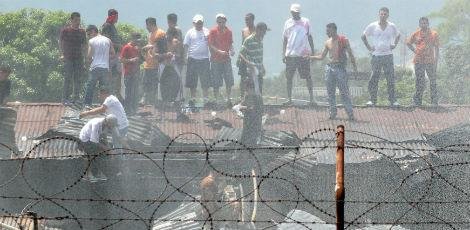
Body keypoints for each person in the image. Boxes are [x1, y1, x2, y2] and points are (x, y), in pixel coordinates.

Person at [309, 23, 357, 120]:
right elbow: (322, 56)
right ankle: (332, 113)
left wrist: (355, 67)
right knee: (330, 92)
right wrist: (311, 57)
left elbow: (350, 54)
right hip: (330, 68)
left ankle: (350, 113)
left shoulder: (343, 40)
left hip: (340, 68)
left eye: (328, 30)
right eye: (326, 30)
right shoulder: (327, 42)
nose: (327, 32)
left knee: (344, 91)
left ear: (334, 30)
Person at [362, 7, 401, 107]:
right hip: (376, 56)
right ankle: (372, 100)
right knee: (374, 77)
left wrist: (394, 45)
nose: (383, 16)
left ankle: (393, 100)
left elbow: (398, 35)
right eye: (381, 14)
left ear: (388, 15)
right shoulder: (373, 25)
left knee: (390, 78)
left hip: (388, 55)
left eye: (385, 14)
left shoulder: (391, 26)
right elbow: (363, 36)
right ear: (379, 14)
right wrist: (369, 47)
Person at [238, 22, 269, 146]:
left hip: (258, 70)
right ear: (258, 30)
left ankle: (257, 112)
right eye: (263, 31)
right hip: (251, 71)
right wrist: (248, 64)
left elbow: (259, 57)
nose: (264, 34)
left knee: (258, 92)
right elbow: (241, 53)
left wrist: (262, 66)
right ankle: (250, 111)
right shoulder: (249, 40)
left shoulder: (260, 41)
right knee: (252, 92)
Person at [282, 3, 315, 106]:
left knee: (307, 77)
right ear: (291, 11)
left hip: (303, 55)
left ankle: (311, 99)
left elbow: (310, 37)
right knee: (289, 77)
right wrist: (283, 54)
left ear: (299, 12)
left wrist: (312, 52)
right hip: (290, 55)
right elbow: (285, 39)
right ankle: (289, 99)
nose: (294, 13)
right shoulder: (288, 23)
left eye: (296, 12)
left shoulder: (306, 22)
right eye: (292, 12)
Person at [407, 17, 439, 106]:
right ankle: (417, 101)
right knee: (419, 81)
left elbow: (437, 48)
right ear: (419, 24)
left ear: (428, 24)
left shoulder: (434, 34)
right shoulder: (416, 33)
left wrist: (436, 61)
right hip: (418, 61)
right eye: (422, 23)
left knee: (432, 81)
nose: (423, 25)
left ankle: (434, 101)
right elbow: (408, 43)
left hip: (430, 61)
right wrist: (414, 50)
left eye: (425, 23)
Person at [78, 114, 119, 181]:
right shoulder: (96, 124)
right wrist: (107, 149)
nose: (111, 127)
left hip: (96, 139)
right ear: (106, 122)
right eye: (110, 125)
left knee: (103, 153)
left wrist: (108, 147)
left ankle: (99, 173)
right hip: (85, 140)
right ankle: (87, 175)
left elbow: (104, 137)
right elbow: (94, 141)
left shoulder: (106, 124)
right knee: (91, 154)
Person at [83, 25, 115, 107]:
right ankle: (103, 106)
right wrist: (105, 57)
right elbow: (113, 54)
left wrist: (88, 63)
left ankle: (87, 105)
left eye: (89, 34)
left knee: (90, 87)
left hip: (95, 67)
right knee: (103, 89)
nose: (89, 36)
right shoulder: (108, 40)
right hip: (105, 68)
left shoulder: (92, 41)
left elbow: (89, 56)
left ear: (93, 31)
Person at [59, 12, 87, 105]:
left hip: (79, 58)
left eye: (79, 20)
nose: (77, 22)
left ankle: (76, 98)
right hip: (68, 58)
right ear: (71, 20)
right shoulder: (65, 31)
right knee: (68, 78)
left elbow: (84, 45)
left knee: (77, 78)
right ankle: (65, 98)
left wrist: (85, 58)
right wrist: (62, 54)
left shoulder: (82, 32)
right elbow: (61, 43)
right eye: (75, 20)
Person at [183, 14, 211, 105]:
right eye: (197, 23)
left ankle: (206, 99)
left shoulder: (207, 31)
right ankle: (193, 98)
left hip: (204, 59)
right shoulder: (190, 32)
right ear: (194, 23)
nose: (199, 24)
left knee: (205, 80)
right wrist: (185, 57)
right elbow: (186, 45)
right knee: (192, 80)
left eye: (201, 23)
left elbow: (211, 44)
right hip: (193, 59)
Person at [208, 13, 235, 106]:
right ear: (217, 22)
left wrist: (232, 50)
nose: (220, 23)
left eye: (222, 22)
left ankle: (228, 98)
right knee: (216, 81)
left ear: (225, 22)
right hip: (215, 60)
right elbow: (210, 45)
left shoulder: (229, 32)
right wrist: (219, 51)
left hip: (226, 59)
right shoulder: (213, 31)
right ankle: (216, 99)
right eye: (219, 22)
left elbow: (230, 43)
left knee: (229, 80)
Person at [142, 17, 167, 106]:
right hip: (148, 63)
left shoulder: (160, 33)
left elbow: (161, 47)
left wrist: (149, 47)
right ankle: (147, 102)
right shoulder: (151, 34)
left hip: (156, 64)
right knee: (146, 84)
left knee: (155, 85)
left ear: (151, 24)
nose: (146, 27)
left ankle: (156, 103)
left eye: (147, 25)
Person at [101, 9, 123, 99]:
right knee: (109, 76)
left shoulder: (112, 26)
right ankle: (107, 96)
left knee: (117, 75)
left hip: (116, 55)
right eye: (116, 16)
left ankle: (114, 94)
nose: (117, 18)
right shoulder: (107, 26)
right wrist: (118, 45)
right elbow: (106, 41)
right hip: (110, 56)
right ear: (112, 16)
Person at [120, 32, 142, 114]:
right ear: (133, 39)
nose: (138, 42)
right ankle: (127, 110)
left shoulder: (137, 48)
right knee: (128, 92)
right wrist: (131, 60)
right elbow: (121, 60)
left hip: (135, 73)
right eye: (137, 40)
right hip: (128, 73)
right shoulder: (126, 47)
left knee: (135, 92)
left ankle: (133, 109)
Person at [238, 13, 255, 100]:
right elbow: (242, 44)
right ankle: (242, 97)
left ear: (253, 20)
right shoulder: (244, 31)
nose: (247, 21)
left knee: (253, 77)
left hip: (253, 58)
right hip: (244, 57)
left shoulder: (256, 31)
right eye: (245, 20)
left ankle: (254, 97)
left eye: (248, 19)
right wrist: (239, 57)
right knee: (243, 77)